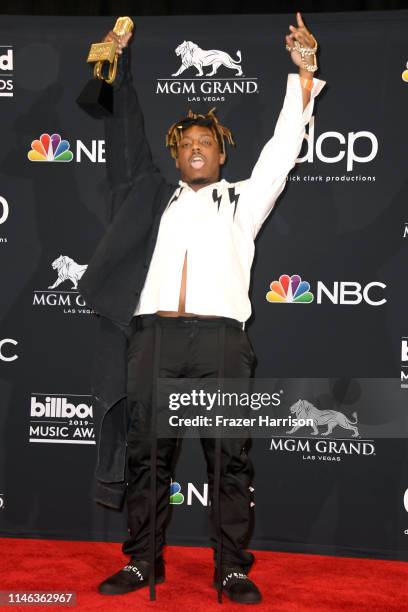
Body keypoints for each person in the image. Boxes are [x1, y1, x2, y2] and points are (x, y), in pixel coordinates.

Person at [77, 11, 325, 605]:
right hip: (154, 341)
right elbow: (128, 125)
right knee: (147, 462)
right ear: (175, 151)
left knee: (229, 463)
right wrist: (121, 58)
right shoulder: (151, 197)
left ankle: (232, 569)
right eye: (185, 143)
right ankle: (141, 563)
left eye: (204, 143)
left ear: (220, 154)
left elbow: (284, 146)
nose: (194, 149)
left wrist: (304, 73)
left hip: (221, 344)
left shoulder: (243, 202)